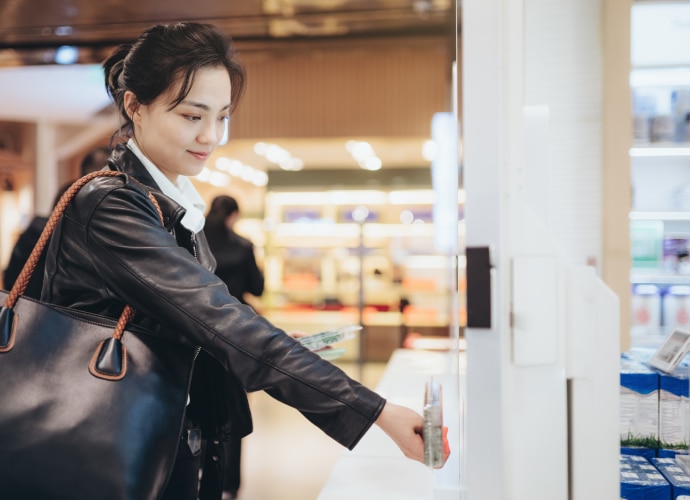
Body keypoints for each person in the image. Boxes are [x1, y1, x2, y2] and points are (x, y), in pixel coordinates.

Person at [41, 22, 448, 500]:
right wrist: (374, 410)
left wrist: (277, 341)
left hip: (159, 443)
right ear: (135, 105)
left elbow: (202, 318)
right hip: (107, 453)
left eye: (222, 117)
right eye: (193, 116)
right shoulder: (111, 206)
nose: (211, 136)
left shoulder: (169, 204)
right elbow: (219, 319)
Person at [200, 195, 264, 498]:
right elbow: (258, 287)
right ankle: (229, 483)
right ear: (234, 215)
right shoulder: (242, 245)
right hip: (236, 336)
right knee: (232, 408)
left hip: (196, 334)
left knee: (196, 406)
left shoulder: (195, 241)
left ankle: (197, 476)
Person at [2, 145, 110, 297]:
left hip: (29, 313)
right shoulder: (77, 235)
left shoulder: (35, 233)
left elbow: (10, 279)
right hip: (51, 315)